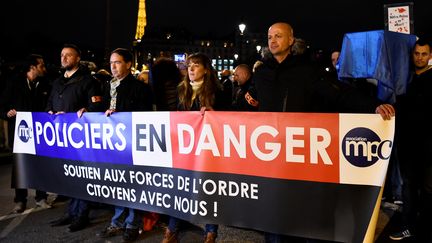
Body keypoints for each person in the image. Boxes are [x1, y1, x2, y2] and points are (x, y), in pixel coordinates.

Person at [253, 22, 395, 243]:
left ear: (291, 40)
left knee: (304, 208)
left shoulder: (307, 70)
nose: (272, 40)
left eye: (278, 36)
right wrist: (213, 115)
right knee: (274, 210)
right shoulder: (261, 72)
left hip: (300, 153)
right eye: (270, 36)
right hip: (270, 155)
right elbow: (251, 104)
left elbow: (339, 93)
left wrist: (373, 106)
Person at [162, 53, 227, 243]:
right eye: (189, 65)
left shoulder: (218, 91)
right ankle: (172, 231)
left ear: (206, 69)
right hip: (186, 149)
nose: (190, 69)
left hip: (208, 149)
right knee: (180, 188)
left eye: (196, 65)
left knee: (207, 190)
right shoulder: (181, 89)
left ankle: (210, 233)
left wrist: (215, 114)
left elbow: (230, 119)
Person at [97, 48, 153, 242]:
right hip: (111, 144)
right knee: (118, 185)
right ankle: (118, 221)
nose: (113, 66)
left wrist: (119, 114)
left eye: (118, 62)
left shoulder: (141, 89)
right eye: (111, 62)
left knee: (133, 185)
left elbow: (144, 116)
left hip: (131, 145)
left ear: (128, 64)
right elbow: (99, 110)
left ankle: (132, 224)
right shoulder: (107, 86)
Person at [48, 43, 103, 232]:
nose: (64, 58)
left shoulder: (88, 81)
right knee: (68, 177)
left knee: (82, 177)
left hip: (81, 138)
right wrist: (49, 111)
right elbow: (49, 104)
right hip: (62, 138)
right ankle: (70, 212)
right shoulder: (57, 82)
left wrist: (87, 109)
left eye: (68, 55)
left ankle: (82, 215)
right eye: (62, 55)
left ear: (78, 58)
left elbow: (97, 106)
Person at [389, 39, 432, 242]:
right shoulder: (404, 80)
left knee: (428, 190)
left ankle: (425, 229)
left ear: (430, 56)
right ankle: (408, 227)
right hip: (407, 146)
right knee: (408, 189)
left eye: (424, 54)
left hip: (429, 147)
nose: (420, 57)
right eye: (417, 53)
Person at [0, 54, 52, 213]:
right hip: (20, 133)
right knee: (20, 167)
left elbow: (49, 104)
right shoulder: (14, 82)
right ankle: (20, 201)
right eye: (41, 65)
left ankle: (41, 198)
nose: (44, 68)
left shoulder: (45, 84)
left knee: (40, 165)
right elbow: (2, 106)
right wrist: (7, 113)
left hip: (39, 132)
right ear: (32, 67)